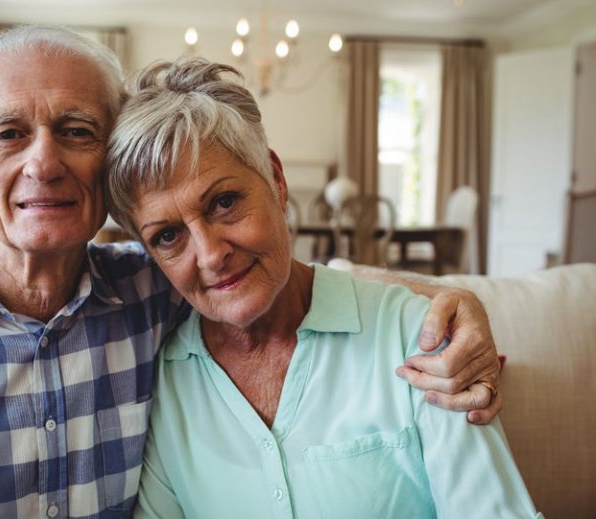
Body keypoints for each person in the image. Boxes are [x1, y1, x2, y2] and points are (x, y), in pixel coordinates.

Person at [0, 25, 498, 518]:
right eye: (8, 133)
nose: (44, 162)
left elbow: (291, 282)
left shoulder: (150, 285)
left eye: (77, 130)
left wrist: (451, 303)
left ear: (107, 170)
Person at [105, 57, 540, 518]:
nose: (211, 255)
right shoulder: (165, 381)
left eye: (225, 202)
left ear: (276, 180)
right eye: (167, 236)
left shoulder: (416, 336)